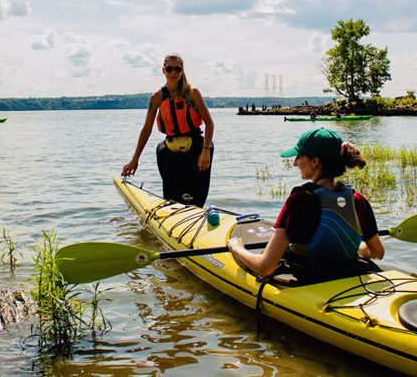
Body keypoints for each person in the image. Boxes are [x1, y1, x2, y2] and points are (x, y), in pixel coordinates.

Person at [227, 128, 384, 280]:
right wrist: (348, 246)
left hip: (311, 280)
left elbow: (265, 266)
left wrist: (237, 247)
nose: (295, 163)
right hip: (348, 275)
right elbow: (377, 252)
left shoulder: (300, 199)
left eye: (299, 156)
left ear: (315, 161)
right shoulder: (357, 199)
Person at [121, 54, 215, 207]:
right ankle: (171, 205)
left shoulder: (192, 93)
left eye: (177, 69)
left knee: (195, 188)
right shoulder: (157, 97)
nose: (173, 73)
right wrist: (135, 159)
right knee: (161, 150)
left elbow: (209, 124)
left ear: (182, 71)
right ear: (163, 70)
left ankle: (195, 206)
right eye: (169, 69)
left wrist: (205, 151)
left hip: (196, 145)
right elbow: (146, 129)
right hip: (171, 145)